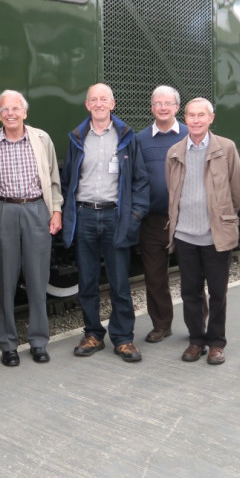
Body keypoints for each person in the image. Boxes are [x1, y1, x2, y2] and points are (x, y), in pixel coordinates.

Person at [60, 83, 149, 363]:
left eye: (104, 99)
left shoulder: (126, 137)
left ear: (112, 104)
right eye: (93, 100)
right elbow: (67, 180)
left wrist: (135, 215)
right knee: (87, 281)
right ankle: (93, 334)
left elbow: (140, 180)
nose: (98, 104)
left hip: (115, 217)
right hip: (85, 215)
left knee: (119, 281)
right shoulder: (77, 137)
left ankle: (123, 338)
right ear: (87, 105)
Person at [0, 90, 62, 367]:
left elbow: (54, 179)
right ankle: (8, 344)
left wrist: (56, 210)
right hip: (2, 211)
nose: (10, 114)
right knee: (5, 281)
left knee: (37, 280)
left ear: (25, 112)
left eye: (15, 109)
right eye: (5, 110)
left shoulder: (42, 139)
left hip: (36, 209)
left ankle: (38, 341)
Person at [166, 98, 240, 365]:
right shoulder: (175, 152)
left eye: (201, 115)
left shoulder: (226, 148)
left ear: (211, 118)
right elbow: (172, 190)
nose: (196, 120)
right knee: (190, 292)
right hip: (184, 235)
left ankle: (216, 343)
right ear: (185, 119)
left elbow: (237, 189)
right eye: (191, 115)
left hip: (215, 235)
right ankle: (196, 340)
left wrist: (223, 218)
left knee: (218, 292)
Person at [135, 85, 188, 343]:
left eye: (168, 103)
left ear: (177, 107)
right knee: (155, 278)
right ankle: (161, 325)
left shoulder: (191, 135)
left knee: (192, 277)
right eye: (158, 103)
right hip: (153, 220)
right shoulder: (140, 140)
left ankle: (197, 329)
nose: (163, 107)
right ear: (151, 107)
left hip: (187, 219)